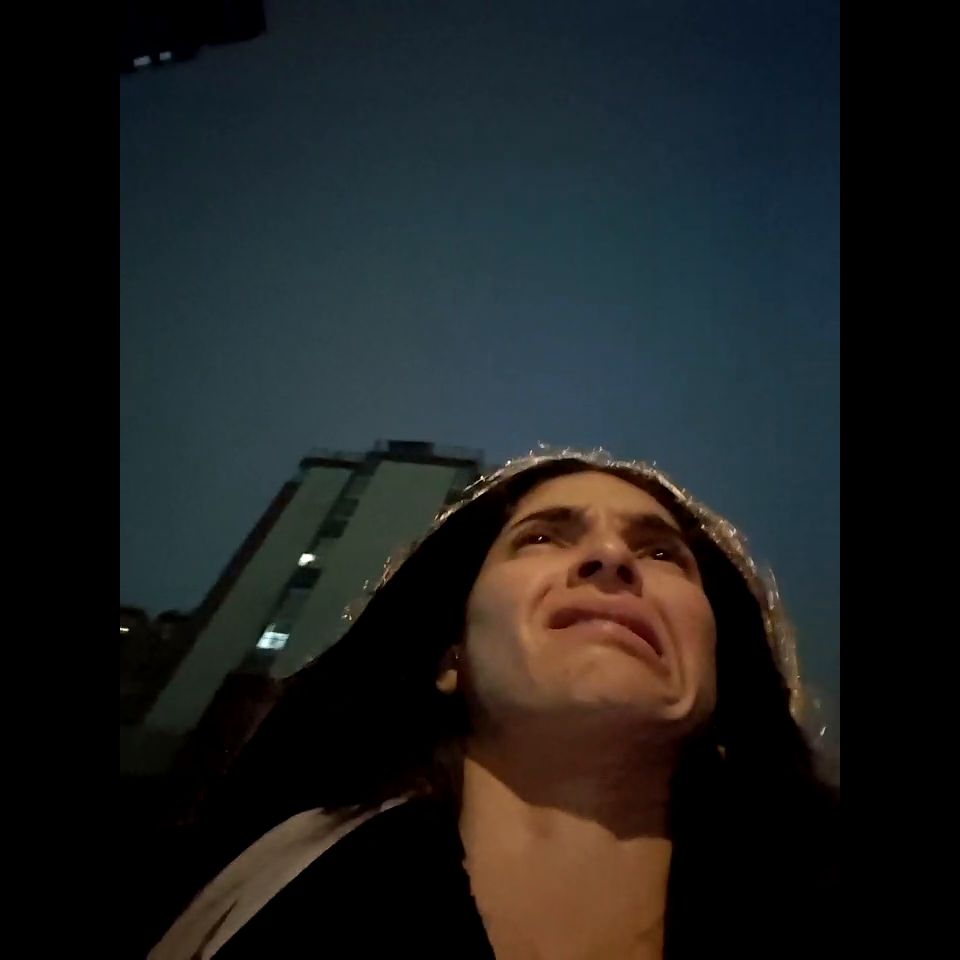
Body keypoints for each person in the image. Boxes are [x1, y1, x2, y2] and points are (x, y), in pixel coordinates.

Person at [148, 447, 839, 960]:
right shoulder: (247, 888)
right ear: (450, 656)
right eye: (540, 537)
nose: (611, 558)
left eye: (662, 554)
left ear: (718, 662)